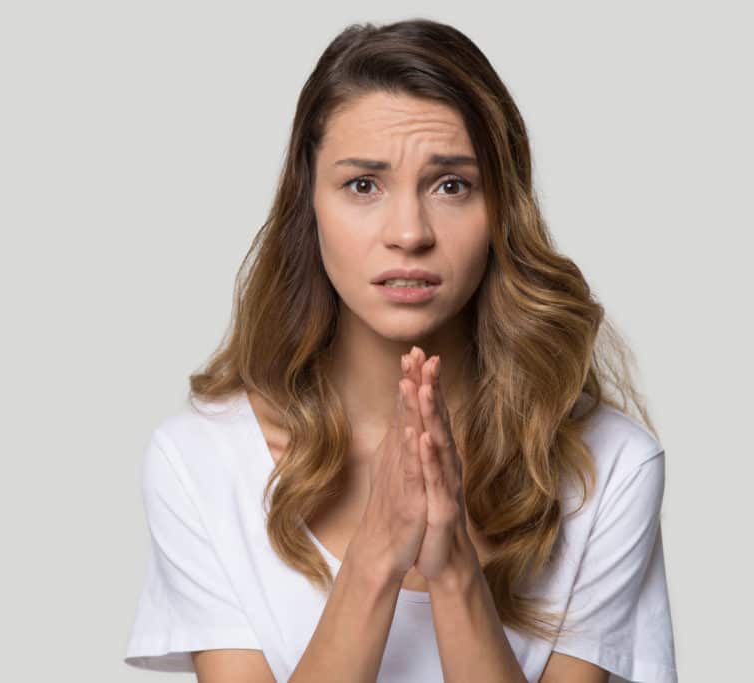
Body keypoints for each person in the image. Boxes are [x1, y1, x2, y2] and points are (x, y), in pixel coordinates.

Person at [123, 18, 677, 683]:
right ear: (310, 206)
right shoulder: (201, 461)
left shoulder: (609, 468)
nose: (409, 233)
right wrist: (376, 556)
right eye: (363, 185)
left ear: (503, 209)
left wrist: (453, 573)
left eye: (451, 185)